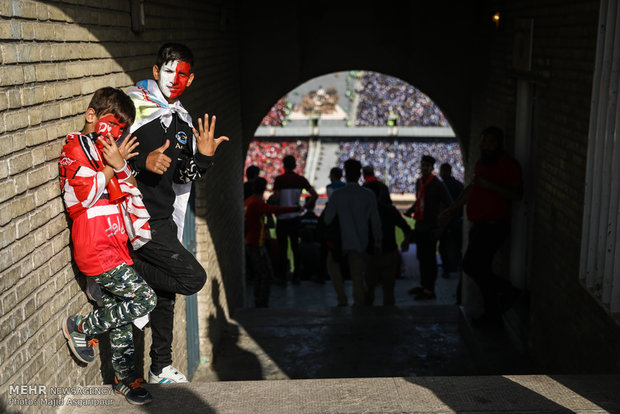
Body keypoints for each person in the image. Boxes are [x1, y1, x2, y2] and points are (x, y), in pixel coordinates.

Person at [126, 42, 229, 383]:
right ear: (156, 72)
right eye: (168, 71)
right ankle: (127, 266)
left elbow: (183, 175)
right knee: (192, 278)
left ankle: (159, 368)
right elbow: (103, 150)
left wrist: (204, 157)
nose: (174, 79)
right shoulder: (133, 107)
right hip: (137, 218)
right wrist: (143, 162)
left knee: (166, 297)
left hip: (163, 219)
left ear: (191, 79)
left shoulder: (183, 122)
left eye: (181, 74)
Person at [59, 87, 156, 405]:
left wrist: (118, 165)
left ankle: (125, 380)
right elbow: (83, 195)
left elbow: (129, 191)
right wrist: (114, 166)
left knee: (123, 317)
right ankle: (83, 326)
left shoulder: (106, 153)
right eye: (112, 125)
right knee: (145, 299)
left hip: (116, 246)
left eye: (121, 130)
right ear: (91, 116)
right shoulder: (74, 148)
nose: (115, 134)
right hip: (95, 248)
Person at [440, 126, 522, 328]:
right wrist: (451, 209)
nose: (486, 146)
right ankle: (492, 316)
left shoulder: (508, 165)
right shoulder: (481, 163)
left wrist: (489, 185)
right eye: (484, 142)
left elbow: (516, 194)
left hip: (494, 225)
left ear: (499, 144)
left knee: (471, 265)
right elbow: (472, 189)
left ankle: (510, 292)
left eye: (491, 142)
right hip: (480, 226)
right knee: (481, 270)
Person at [323, 158, 382, 306]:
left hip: (342, 241)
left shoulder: (337, 195)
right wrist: (378, 241)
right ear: (360, 174)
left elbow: (327, 219)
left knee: (332, 265)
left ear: (345, 174)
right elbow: (375, 221)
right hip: (360, 241)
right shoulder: (368, 195)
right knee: (357, 277)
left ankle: (341, 297)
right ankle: (359, 306)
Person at [244, 177, 300, 307]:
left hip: (252, 241)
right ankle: (261, 302)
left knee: (261, 273)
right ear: (263, 189)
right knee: (265, 273)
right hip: (256, 244)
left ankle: (258, 299)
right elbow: (275, 209)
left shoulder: (249, 201)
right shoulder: (257, 203)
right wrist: (294, 209)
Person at [405, 155, 452, 300]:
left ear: (432, 168)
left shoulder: (438, 184)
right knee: (422, 258)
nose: (424, 168)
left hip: (431, 227)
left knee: (430, 260)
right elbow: (419, 200)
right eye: (423, 165)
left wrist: (441, 226)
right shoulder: (419, 183)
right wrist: (411, 209)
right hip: (420, 225)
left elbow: (449, 203)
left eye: (427, 166)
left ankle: (429, 291)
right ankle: (423, 286)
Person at [272, 154, 318, 285]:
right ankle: (296, 276)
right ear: (294, 166)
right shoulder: (300, 179)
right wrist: (305, 207)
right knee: (295, 248)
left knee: (282, 249)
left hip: (282, 218)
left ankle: (282, 276)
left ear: (284, 165)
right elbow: (314, 195)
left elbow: (276, 197)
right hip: (295, 218)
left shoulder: (279, 179)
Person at [365, 184, 413, 306]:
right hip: (389, 254)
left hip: (371, 255)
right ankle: (389, 318)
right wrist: (406, 241)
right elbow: (406, 228)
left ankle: (365, 319)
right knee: (388, 291)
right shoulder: (390, 210)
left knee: (369, 290)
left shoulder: (364, 212)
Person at [438, 163, 464, 278]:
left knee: (443, 247)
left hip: (445, 221)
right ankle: (459, 269)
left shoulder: (441, 185)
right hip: (457, 221)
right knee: (458, 247)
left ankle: (446, 270)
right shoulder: (459, 185)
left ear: (445, 172)